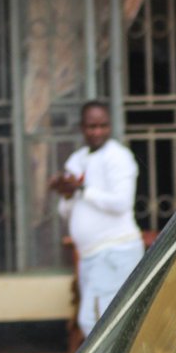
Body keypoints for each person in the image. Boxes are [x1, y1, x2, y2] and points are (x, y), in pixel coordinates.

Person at [49, 101, 143, 338]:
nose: (97, 131)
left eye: (103, 126)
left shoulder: (119, 157)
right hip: (90, 256)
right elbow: (66, 211)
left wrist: (82, 188)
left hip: (115, 250)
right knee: (100, 323)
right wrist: (68, 192)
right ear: (82, 127)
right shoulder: (77, 159)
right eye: (92, 126)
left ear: (110, 127)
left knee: (95, 322)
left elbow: (121, 203)